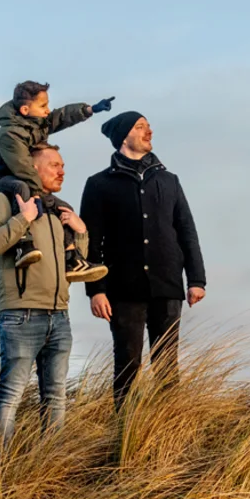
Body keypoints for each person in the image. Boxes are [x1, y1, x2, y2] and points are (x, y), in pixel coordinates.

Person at [80, 111, 207, 409]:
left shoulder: (169, 180)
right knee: (127, 365)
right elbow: (89, 242)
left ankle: (165, 430)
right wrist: (96, 289)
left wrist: (196, 280)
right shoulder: (99, 184)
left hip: (168, 285)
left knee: (166, 366)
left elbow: (187, 231)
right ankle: (124, 429)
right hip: (122, 290)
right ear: (124, 136)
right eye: (140, 127)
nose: (149, 131)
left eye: (149, 126)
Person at [0, 143, 90, 448]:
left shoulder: (57, 208)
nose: (62, 170)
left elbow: (73, 269)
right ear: (32, 168)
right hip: (21, 314)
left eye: (63, 165)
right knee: (11, 394)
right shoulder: (3, 201)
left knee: (56, 397)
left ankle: (48, 469)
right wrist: (24, 219)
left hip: (60, 314)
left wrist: (80, 233)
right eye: (55, 164)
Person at [0, 80, 113, 282]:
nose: (47, 110)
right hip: (0, 178)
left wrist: (88, 109)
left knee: (61, 207)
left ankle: (71, 258)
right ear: (25, 109)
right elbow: (23, 166)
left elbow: (61, 117)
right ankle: (23, 244)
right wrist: (38, 194)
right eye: (43, 106)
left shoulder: (37, 123)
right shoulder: (10, 134)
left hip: (22, 175)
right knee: (22, 188)